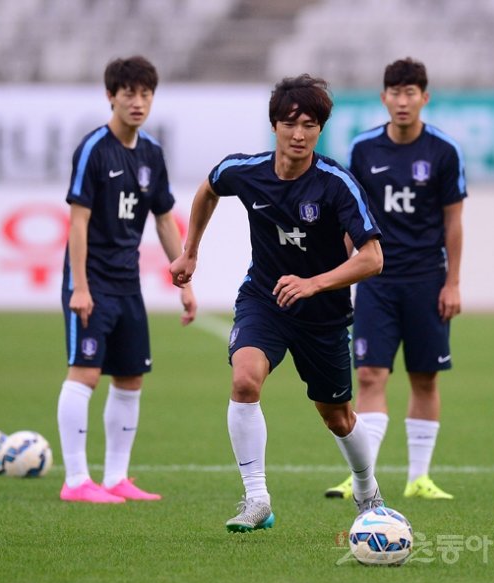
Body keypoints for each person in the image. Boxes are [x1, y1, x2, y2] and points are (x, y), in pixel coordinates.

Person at [171, 74, 384, 533]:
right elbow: (209, 187)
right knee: (245, 379)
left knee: (338, 416)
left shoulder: (336, 184)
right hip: (264, 298)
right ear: (274, 125)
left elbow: (372, 258)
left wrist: (313, 283)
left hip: (323, 313)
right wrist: (190, 251)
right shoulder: (245, 172)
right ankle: (256, 498)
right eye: (291, 123)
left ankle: (367, 491)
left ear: (321, 129)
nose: (300, 133)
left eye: (310, 124)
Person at [325, 57, 466, 501]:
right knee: (368, 374)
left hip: (427, 278)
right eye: (395, 92)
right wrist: (337, 273)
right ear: (384, 97)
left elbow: (454, 222)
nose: (403, 101)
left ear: (424, 98)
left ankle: (418, 478)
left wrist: (453, 282)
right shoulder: (364, 150)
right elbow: (350, 217)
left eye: (412, 93)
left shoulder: (443, 151)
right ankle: (360, 475)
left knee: (425, 377)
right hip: (377, 279)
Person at [57, 55, 197, 503]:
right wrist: (80, 286)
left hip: (127, 281)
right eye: (129, 93)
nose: (137, 102)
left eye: (145, 94)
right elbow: (77, 222)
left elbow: (162, 220)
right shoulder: (94, 149)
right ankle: (76, 480)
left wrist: (185, 282)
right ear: (111, 97)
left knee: (131, 377)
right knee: (85, 373)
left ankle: (116, 477)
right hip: (93, 279)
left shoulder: (152, 153)